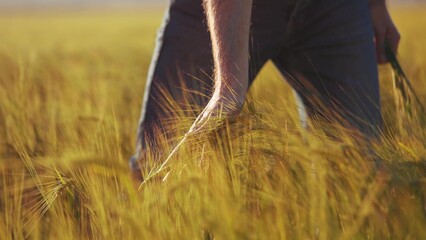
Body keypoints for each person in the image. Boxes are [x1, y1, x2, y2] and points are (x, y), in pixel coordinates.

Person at [130, 0, 400, 180]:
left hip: (337, 8)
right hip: (218, 12)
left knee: (357, 176)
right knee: (162, 169)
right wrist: (228, 87)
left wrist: (375, 4)